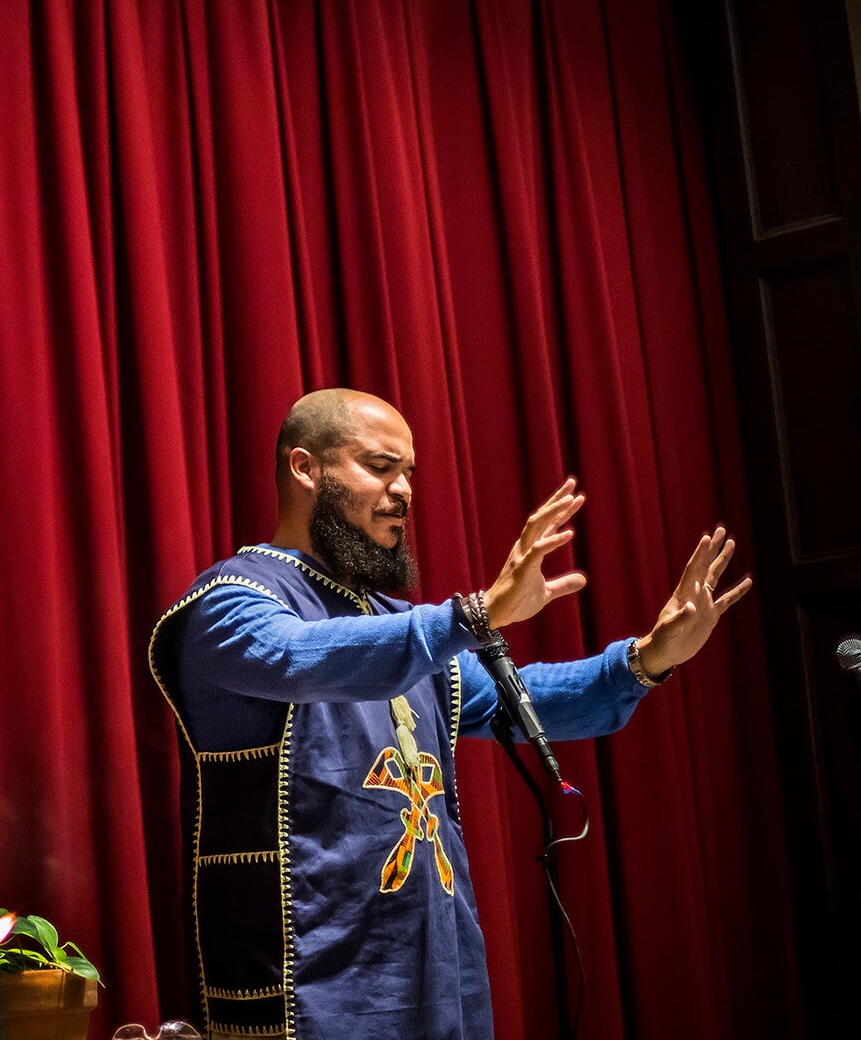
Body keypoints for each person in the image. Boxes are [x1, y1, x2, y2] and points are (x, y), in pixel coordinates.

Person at [148, 389, 751, 1040]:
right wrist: (471, 616)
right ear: (304, 467)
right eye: (381, 467)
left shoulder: (403, 626)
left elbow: (530, 698)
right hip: (310, 999)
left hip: (438, 989)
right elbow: (304, 657)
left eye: (410, 472)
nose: (404, 490)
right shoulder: (232, 602)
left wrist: (647, 658)